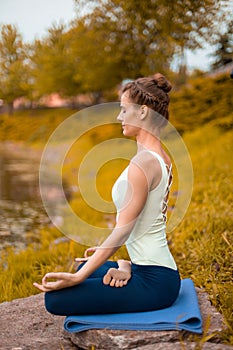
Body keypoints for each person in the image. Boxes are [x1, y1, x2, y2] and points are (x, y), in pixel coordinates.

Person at [34, 73, 181, 316]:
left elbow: (123, 229)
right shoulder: (160, 157)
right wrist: (126, 265)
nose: (118, 117)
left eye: (124, 110)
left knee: (56, 299)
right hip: (155, 270)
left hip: (156, 283)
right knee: (82, 265)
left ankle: (125, 269)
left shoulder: (143, 163)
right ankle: (128, 266)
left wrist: (78, 278)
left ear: (143, 112)